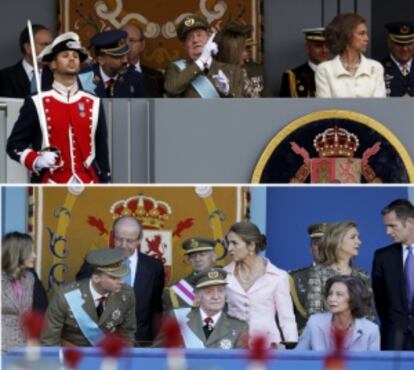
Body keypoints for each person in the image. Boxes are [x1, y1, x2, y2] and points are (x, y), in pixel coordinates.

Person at [6, 32, 111, 184]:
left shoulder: (93, 101)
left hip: (89, 182)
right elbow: (15, 145)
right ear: (53, 64)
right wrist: (36, 159)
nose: (72, 59)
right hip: (50, 183)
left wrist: (105, 180)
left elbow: (101, 148)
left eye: (75, 56)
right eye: (65, 55)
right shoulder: (36, 101)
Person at [76, 216, 164, 346]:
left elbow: (156, 309)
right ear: (112, 236)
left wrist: (153, 343)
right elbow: (81, 300)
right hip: (98, 341)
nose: (123, 245)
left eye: (129, 241)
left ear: (139, 239)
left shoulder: (154, 267)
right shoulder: (93, 261)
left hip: (138, 341)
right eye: (118, 239)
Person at [223, 221, 298, 348]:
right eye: (228, 243)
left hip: (269, 347)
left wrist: (291, 349)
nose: (229, 248)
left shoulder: (278, 276)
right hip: (233, 344)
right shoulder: (224, 274)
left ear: (251, 245)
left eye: (234, 243)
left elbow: (287, 318)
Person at [41, 248, 136, 346]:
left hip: (107, 358)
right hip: (73, 356)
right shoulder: (65, 297)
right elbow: (49, 341)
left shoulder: (126, 294)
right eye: (114, 277)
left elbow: (127, 334)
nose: (121, 281)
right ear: (96, 278)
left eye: (121, 276)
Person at [155, 268, 248, 349]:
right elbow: (155, 356)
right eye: (209, 292)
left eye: (220, 291)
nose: (216, 296)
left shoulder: (239, 327)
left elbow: (243, 364)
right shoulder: (177, 319)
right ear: (197, 296)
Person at [306, 221, 375, 321]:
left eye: (358, 237)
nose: (359, 242)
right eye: (353, 237)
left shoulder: (362, 274)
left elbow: (369, 313)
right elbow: (314, 314)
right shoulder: (318, 273)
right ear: (337, 241)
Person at [164, 14, 244, 98]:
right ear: (184, 45)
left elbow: (241, 107)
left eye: (199, 35)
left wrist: (228, 92)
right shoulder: (176, 68)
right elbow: (171, 89)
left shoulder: (232, 69)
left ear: (209, 37)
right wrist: (201, 61)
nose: (195, 40)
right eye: (190, 37)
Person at [296, 275, 380, 351]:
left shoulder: (371, 330)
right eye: (330, 294)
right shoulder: (314, 322)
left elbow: (374, 365)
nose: (332, 299)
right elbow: (297, 358)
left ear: (354, 299)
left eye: (339, 294)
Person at [372, 199, 414, 350]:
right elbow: (380, 301)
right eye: (386, 226)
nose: (388, 232)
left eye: (392, 226)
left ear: (409, 222)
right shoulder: (382, 257)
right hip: (394, 338)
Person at [315, 13, 386, 97]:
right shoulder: (325, 70)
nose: (367, 38)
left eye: (366, 34)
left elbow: (380, 106)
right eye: (361, 33)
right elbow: (325, 108)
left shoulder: (375, 68)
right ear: (346, 36)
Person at [2, 232, 48, 352]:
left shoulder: (29, 278)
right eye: (30, 251)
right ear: (17, 253)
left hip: (24, 349)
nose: (35, 255)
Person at [78, 29, 145, 98]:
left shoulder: (135, 79)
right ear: (101, 60)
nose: (125, 60)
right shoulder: (83, 79)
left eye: (126, 54)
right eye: (118, 56)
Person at [289, 223, 328, 333]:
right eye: (316, 243)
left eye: (325, 243)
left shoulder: (346, 277)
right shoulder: (295, 279)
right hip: (305, 342)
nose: (321, 247)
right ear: (311, 248)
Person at [162, 237, 217, 311]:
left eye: (202, 254)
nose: (197, 259)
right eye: (193, 256)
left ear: (213, 257)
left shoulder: (228, 284)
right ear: (188, 260)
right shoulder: (174, 291)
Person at [0, 24, 53, 98]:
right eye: (45, 44)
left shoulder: (57, 76)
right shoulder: (5, 77)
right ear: (28, 47)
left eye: (51, 45)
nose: (50, 49)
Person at [280, 28, 330, 97]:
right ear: (307, 48)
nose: (325, 50)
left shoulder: (339, 74)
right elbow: (284, 106)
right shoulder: (293, 77)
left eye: (328, 46)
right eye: (318, 46)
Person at [122, 23, 165, 97]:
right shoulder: (109, 74)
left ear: (142, 45)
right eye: (122, 40)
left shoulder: (155, 77)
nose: (126, 45)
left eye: (132, 40)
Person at [381, 22, 414, 97]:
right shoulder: (379, 69)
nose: (405, 49)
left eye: (409, 44)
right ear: (389, 42)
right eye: (399, 44)